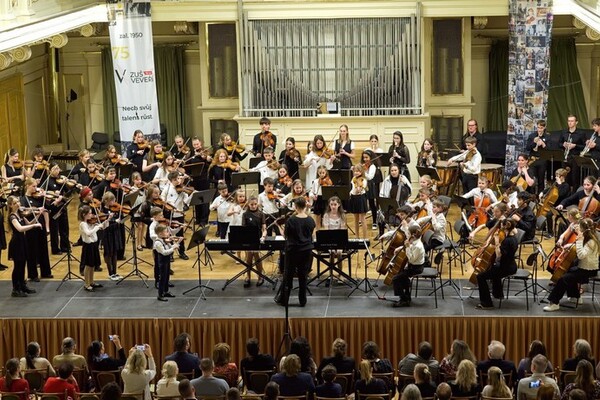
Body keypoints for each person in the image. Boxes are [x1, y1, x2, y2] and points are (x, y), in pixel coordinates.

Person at [544, 218, 600, 311]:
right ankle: (575, 297)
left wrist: (579, 240)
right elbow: (581, 248)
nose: (578, 229)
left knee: (563, 279)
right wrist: (570, 246)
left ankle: (554, 303)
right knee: (569, 272)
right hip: (583, 267)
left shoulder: (591, 242)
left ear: (583, 230)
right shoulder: (588, 238)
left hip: (589, 270)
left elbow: (581, 255)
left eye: (580, 227)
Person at [277, 197, 315, 307]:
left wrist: (278, 226)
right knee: (303, 275)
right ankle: (302, 300)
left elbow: (286, 236)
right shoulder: (310, 220)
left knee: (288, 275)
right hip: (306, 250)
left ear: (296, 207)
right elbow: (311, 234)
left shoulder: (291, 220)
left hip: (293, 250)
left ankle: (284, 300)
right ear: (305, 206)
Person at [476, 219, 519, 310]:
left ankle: (487, 304)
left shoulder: (506, 241)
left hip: (505, 268)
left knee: (480, 277)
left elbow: (499, 256)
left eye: (501, 227)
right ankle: (498, 294)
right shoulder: (514, 238)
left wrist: (496, 242)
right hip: (511, 265)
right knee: (494, 269)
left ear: (505, 227)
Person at [6, 196, 40, 297]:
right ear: (10, 205)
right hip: (16, 243)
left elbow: (29, 223)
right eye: (15, 203)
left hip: (22, 241)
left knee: (22, 265)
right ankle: (15, 289)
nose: (18, 204)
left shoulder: (19, 214)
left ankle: (22, 285)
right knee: (17, 266)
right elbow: (20, 229)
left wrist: (38, 215)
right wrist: (34, 226)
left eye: (18, 202)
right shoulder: (12, 217)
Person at [392, 225, 426, 307]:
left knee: (395, 279)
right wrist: (401, 247)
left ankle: (403, 299)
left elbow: (411, 259)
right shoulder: (415, 241)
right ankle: (407, 297)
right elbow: (410, 246)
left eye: (408, 233)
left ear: (413, 235)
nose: (407, 235)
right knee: (403, 277)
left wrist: (407, 247)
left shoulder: (418, 246)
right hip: (412, 266)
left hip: (416, 268)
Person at [79, 205, 109, 292]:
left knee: (92, 265)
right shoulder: (83, 224)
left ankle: (91, 282)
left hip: (94, 245)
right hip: (88, 246)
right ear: (84, 215)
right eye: (90, 213)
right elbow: (88, 233)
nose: (92, 215)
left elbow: (103, 227)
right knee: (88, 265)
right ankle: (87, 284)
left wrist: (107, 221)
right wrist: (96, 227)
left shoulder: (90, 223)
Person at [242, 195, 268, 287]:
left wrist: (263, 236)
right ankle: (248, 276)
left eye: (255, 204)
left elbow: (264, 228)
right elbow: (243, 228)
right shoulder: (245, 214)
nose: (253, 206)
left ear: (257, 204)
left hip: (258, 238)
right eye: (251, 204)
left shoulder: (261, 214)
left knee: (257, 257)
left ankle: (260, 277)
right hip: (248, 238)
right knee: (248, 258)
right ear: (248, 204)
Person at [538, 168, 571, 238]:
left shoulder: (566, 186)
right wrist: (542, 192)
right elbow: (549, 189)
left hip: (560, 205)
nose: (556, 177)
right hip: (553, 204)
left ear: (562, 177)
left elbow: (560, 194)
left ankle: (550, 233)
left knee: (548, 214)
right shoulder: (556, 184)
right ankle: (543, 228)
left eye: (557, 175)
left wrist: (559, 184)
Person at [154, 225, 180, 301]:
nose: (168, 233)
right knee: (162, 278)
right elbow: (164, 252)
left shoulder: (164, 240)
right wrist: (173, 248)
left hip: (167, 261)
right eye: (166, 232)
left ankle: (166, 291)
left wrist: (175, 244)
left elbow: (170, 247)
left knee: (166, 277)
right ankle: (160, 294)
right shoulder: (158, 243)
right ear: (160, 234)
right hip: (162, 261)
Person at [561, 114, 586, 191]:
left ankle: (574, 194)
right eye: (569, 121)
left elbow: (584, 147)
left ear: (576, 122)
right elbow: (559, 143)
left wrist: (575, 145)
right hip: (565, 157)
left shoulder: (581, 133)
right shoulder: (564, 132)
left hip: (575, 158)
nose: (570, 123)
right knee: (565, 177)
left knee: (575, 178)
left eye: (572, 121)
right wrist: (563, 144)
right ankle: (565, 193)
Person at [527, 120, 551, 194]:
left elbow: (550, 149)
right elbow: (527, 148)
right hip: (532, 160)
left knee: (541, 180)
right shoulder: (532, 136)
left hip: (542, 160)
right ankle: (532, 196)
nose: (539, 130)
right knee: (532, 179)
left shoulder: (547, 136)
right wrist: (534, 142)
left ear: (544, 127)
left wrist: (543, 144)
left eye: (541, 128)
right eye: (538, 127)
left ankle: (540, 196)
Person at [348, 163, 369, 238]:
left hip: (361, 198)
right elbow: (353, 189)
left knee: (363, 219)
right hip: (354, 198)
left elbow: (361, 189)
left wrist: (359, 188)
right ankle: (357, 236)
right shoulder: (353, 179)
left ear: (361, 172)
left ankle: (365, 237)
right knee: (355, 219)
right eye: (355, 171)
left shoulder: (363, 180)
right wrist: (351, 193)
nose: (356, 173)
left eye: (358, 171)